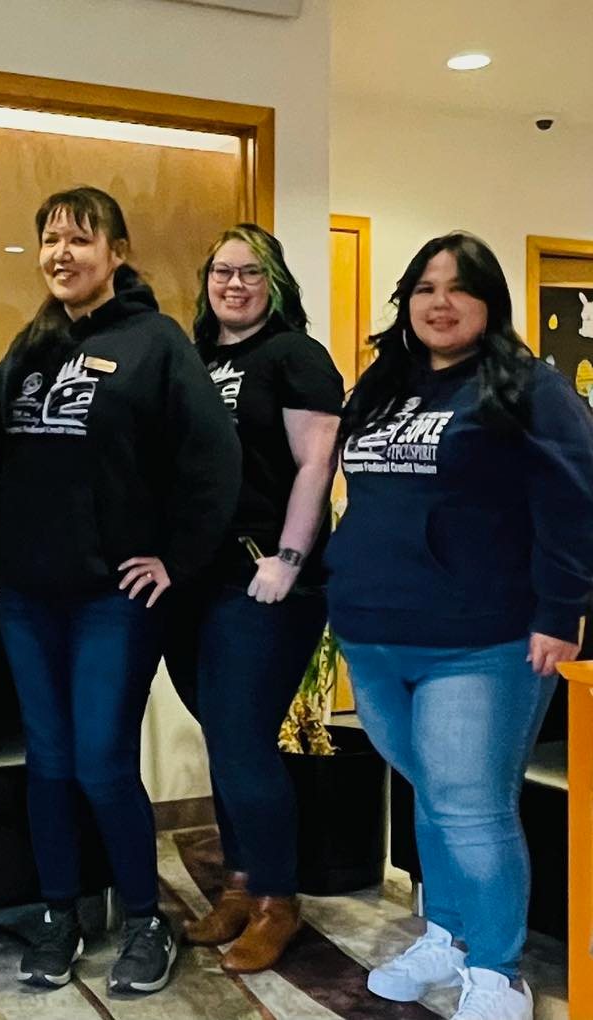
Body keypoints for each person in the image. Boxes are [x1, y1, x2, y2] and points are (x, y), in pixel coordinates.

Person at [0, 186, 240, 996]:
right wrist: (2, 553)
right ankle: (60, 912)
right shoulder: (31, 342)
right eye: (50, 239)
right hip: (28, 597)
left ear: (116, 253)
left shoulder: (156, 343)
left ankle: (147, 919)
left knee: (100, 761)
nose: (61, 254)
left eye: (80, 241)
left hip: (110, 601)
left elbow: (212, 462)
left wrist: (175, 559)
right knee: (47, 762)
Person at [328, 232, 593, 1020]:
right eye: (423, 289)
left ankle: (498, 969)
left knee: (473, 804)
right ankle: (446, 935)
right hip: (374, 632)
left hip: (482, 639)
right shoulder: (383, 385)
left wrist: (561, 612)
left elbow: (575, 504)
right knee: (433, 793)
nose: (439, 304)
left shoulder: (528, 387)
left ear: (489, 301)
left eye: (458, 289)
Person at [163, 224, 343, 973]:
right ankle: (238, 886)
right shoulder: (196, 359)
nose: (234, 284)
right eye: (222, 272)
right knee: (225, 740)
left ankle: (277, 901)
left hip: (261, 577)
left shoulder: (294, 356)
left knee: (242, 741)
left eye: (250, 273)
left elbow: (314, 462)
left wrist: (290, 559)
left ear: (275, 282)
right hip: (193, 582)